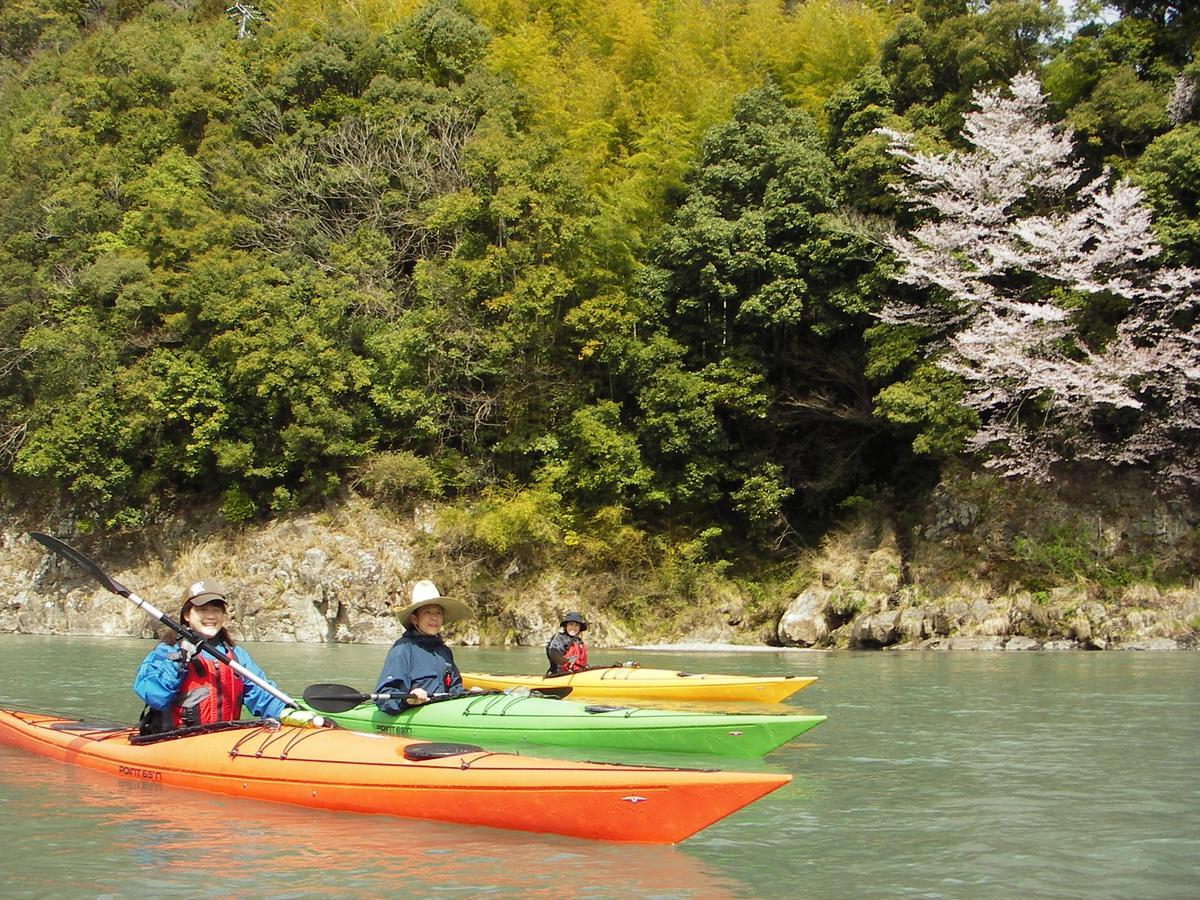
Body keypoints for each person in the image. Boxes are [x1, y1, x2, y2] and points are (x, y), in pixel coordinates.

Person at [133, 579, 319, 733]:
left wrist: (288, 713)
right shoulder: (167, 650)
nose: (211, 616)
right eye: (203, 610)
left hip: (222, 743)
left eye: (216, 610)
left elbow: (262, 695)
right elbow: (153, 695)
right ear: (187, 616)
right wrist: (179, 662)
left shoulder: (235, 655)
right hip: (177, 741)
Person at [374, 580, 475, 714]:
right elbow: (384, 696)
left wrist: (469, 694)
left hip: (443, 714)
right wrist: (409, 699)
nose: (434, 618)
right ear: (414, 619)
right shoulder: (402, 650)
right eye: (428, 612)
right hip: (413, 715)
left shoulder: (444, 652)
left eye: (438, 613)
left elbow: (454, 689)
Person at [545, 611, 588, 675]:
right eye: (571, 624)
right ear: (566, 626)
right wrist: (566, 660)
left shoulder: (579, 642)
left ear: (580, 628)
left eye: (577, 625)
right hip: (560, 675)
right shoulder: (560, 638)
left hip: (578, 674)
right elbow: (553, 652)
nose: (573, 627)